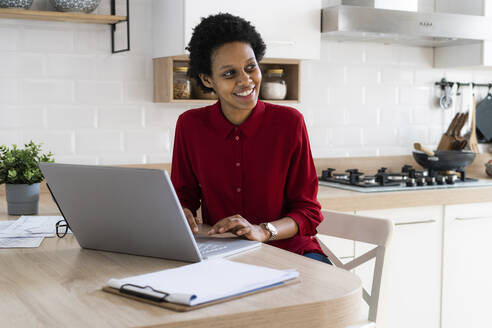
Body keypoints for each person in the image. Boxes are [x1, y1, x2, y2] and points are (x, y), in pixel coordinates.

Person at [170, 13, 330, 264]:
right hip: (222, 253)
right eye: (229, 73)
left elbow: (308, 212)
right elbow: (182, 196)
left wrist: (263, 231)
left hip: (291, 251)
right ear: (207, 79)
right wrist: (183, 212)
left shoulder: (289, 123)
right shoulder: (190, 125)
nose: (245, 80)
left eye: (250, 67)